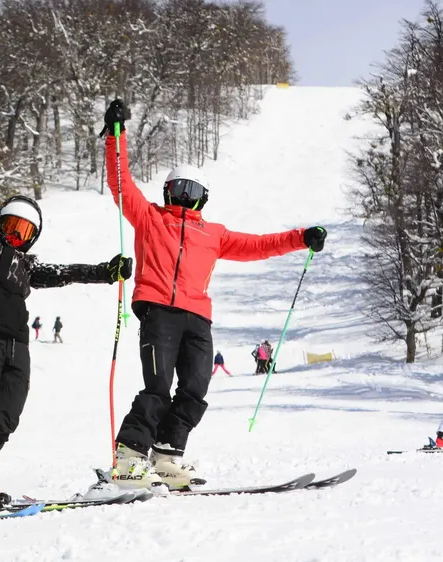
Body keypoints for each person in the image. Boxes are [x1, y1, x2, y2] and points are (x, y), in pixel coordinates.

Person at [86, 99, 327, 495]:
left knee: (196, 389)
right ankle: (129, 457)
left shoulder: (213, 234)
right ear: (167, 192)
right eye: (178, 189)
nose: (184, 196)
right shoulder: (149, 217)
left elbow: (259, 245)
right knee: (157, 387)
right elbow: (121, 183)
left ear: (203, 197)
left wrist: (301, 237)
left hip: (197, 319)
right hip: (159, 311)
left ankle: (166, 456)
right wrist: (117, 134)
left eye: (192, 190)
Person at [0, 124, 133, 507]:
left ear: (31, 238)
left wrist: (107, 272)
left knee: (5, 416)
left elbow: (66, 271)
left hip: (17, 345)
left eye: (23, 233)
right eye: (10, 228)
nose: (14, 237)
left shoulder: (28, 266)